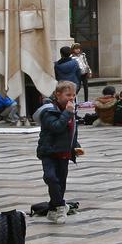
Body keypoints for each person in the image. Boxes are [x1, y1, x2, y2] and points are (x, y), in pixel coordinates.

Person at [35, 81, 79, 224]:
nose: (71, 98)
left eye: (73, 95)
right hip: (49, 151)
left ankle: (54, 208)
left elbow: (72, 130)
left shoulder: (70, 109)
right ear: (58, 95)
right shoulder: (49, 111)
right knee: (50, 177)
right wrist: (67, 113)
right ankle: (60, 206)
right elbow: (57, 127)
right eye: (68, 95)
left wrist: (75, 146)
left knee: (61, 182)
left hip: (64, 152)